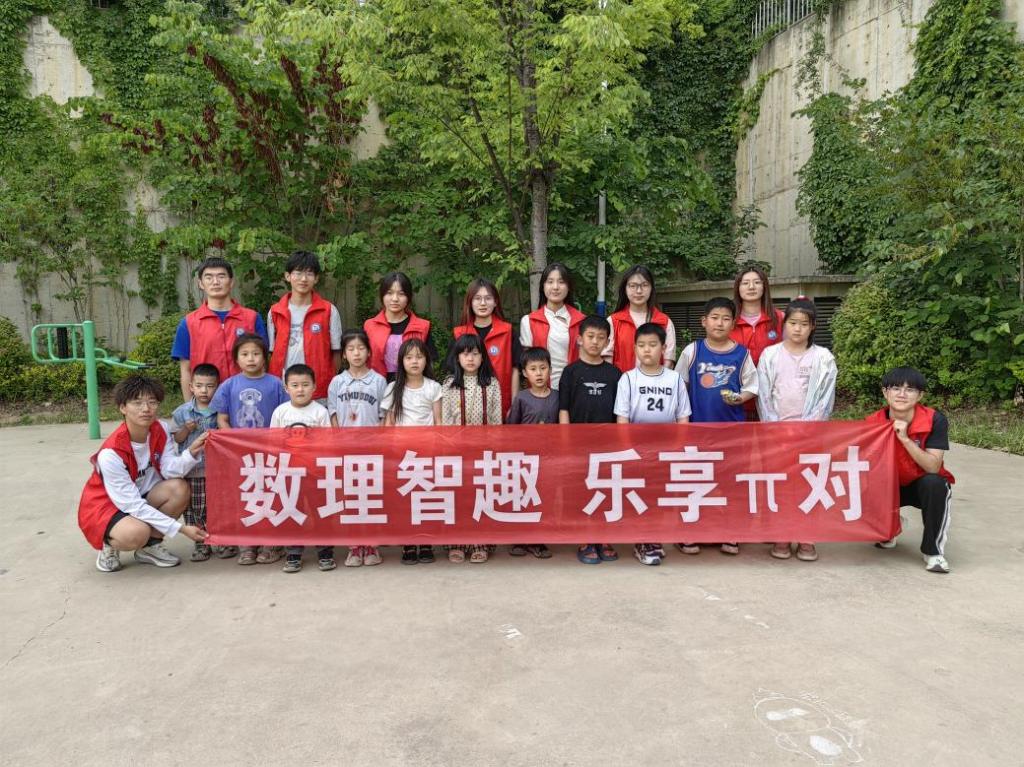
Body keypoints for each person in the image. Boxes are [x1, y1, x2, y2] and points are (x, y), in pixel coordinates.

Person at [79, 375, 209, 573]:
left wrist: (191, 452)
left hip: (143, 496)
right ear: (123, 408)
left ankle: (149, 547)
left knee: (179, 488)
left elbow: (169, 469)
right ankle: (109, 543)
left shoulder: (161, 429)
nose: (146, 409)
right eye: (137, 403)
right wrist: (181, 529)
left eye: (152, 402)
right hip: (109, 506)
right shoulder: (111, 453)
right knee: (137, 533)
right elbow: (132, 505)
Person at [756, 299, 837, 562]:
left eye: (804, 324)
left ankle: (806, 537)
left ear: (813, 327)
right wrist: (775, 428)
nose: (797, 329)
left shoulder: (823, 358)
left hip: (811, 435)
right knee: (780, 485)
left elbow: (825, 398)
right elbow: (764, 396)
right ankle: (781, 535)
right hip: (776, 434)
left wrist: (807, 429)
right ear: (784, 324)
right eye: (793, 323)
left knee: (809, 484)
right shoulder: (769, 355)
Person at [677, 297, 758, 556]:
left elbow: (752, 386)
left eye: (725, 319)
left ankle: (729, 531)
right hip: (696, 429)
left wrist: (740, 398)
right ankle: (691, 531)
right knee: (695, 478)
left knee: (729, 480)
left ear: (733, 323)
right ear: (704, 321)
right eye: (714, 317)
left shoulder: (742, 354)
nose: (719, 323)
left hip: (731, 432)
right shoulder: (692, 351)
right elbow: (679, 386)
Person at [614, 323, 692, 566]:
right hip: (637, 449)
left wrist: (678, 448)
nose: (646, 350)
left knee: (660, 495)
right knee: (640, 495)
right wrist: (629, 450)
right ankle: (643, 541)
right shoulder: (628, 379)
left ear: (664, 347)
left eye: (652, 345)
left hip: (666, 449)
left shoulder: (674, 379)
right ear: (634, 348)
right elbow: (622, 418)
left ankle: (654, 538)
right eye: (641, 345)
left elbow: (683, 416)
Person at [866, 367, 955, 573]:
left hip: (920, 484)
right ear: (885, 392)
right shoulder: (872, 422)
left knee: (935, 483)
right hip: (889, 484)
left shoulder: (935, 420)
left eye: (910, 389)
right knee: (859, 484)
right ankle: (890, 526)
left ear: (920, 395)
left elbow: (933, 466)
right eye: (895, 388)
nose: (902, 394)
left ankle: (933, 552)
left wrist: (905, 439)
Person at [211, 334, 289, 565]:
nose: (251, 358)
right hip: (240, 454)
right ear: (236, 359)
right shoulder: (229, 385)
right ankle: (246, 544)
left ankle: (271, 544)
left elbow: (284, 416)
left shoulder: (276, 384)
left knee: (271, 494)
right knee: (244, 496)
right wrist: (233, 443)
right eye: (245, 354)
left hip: (270, 452)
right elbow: (222, 418)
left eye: (256, 354)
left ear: (264, 357)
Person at [558, 315, 622, 565]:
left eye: (601, 337)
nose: (595, 342)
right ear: (579, 340)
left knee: (606, 489)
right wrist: (566, 440)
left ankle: (604, 537)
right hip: (577, 443)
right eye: (590, 336)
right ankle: (584, 538)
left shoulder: (615, 374)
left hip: (607, 445)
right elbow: (564, 408)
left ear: (608, 342)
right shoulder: (570, 372)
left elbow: (620, 411)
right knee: (581, 490)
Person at [440, 334, 503, 564]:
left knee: (481, 496)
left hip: (484, 452)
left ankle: (480, 542)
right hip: (456, 452)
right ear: (457, 357)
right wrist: (449, 450)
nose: (470, 358)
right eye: (465, 354)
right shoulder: (449, 384)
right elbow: (446, 421)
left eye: (475, 354)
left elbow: (496, 420)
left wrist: (494, 449)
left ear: (482, 357)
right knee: (458, 496)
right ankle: (456, 542)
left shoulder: (491, 384)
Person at [326, 330, 387, 567]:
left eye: (361, 348)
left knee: (371, 495)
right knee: (349, 496)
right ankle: (353, 546)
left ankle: (372, 545)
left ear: (369, 352)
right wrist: (337, 442)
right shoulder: (337, 382)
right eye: (351, 349)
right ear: (343, 354)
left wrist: (379, 442)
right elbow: (332, 414)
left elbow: (383, 415)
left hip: (372, 448)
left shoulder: (379, 381)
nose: (356, 353)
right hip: (346, 448)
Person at [171, 256, 268, 400]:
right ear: (201, 283)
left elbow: (263, 362)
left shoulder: (252, 318)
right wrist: (189, 407)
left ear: (231, 282)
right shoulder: (189, 323)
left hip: (246, 398)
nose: (215, 282)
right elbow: (185, 369)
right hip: (207, 400)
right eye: (209, 277)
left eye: (221, 276)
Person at [382, 338, 443, 564]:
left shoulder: (433, 387)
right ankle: (408, 543)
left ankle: (426, 542)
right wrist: (389, 452)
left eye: (419, 356)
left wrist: (439, 450)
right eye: (409, 357)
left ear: (426, 360)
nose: (414, 361)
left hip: (427, 451)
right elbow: (388, 424)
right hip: (402, 454)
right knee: (405, 499)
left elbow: (438, 421)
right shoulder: (392, 388)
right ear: (401, 361)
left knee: (426, 497)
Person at [270, 364, 335, 573]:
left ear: (314, 387)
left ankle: (325, 551)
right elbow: (273, 442)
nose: (300, 389)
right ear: (286, 388)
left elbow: (328, 442)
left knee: (320, 511)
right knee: (291, 510)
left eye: (305, 385)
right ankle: (293, 553)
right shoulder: (280, 412)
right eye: (295, 385)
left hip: (315, 472)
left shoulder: (320, 412)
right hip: (289, 472)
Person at [267, 250, 343, 402]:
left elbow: (337, 352)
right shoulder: (275, 312)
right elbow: (272, 352)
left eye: (309, 273)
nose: (303, 279)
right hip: (284, 388)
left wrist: (327, 380)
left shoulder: (328, 310)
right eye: (298, 273)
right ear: (287, 276)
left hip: (318, 389)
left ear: (316, 278)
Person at [170, 363, 227, 562]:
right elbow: (177, 439)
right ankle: (201, 544)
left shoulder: (221, 410)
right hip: (192, 469)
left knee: (217, 506)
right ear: (191, 387)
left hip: (216, 469)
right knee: (195, 508)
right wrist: (186, 429)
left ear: (218, 387)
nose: (204, 391)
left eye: (210, 386)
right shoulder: (182, 412)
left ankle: (221, 540)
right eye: (199, 386)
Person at [506, 347, 559, 559]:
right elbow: (512, 428)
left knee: (543, 498)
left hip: (549, 459)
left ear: (550, 370)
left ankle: (539, 539)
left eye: (543, 368)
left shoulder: (557, 397)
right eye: (533, 369)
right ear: (524, 372)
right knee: (523, 497)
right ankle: (520, 538)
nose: (539, 373)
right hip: (525, 459)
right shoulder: (521, 398)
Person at [453, 277, 522, 419]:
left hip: (502, 405)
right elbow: (453, 371)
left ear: (495, 301)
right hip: (467, 407)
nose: (483, 303)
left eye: (488, 298)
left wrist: (514, 404)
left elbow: (516, 368)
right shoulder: (459, 333)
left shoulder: (507, 331)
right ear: (470, 302)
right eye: (477, 298)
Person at [731, 265, 785, 420]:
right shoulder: (728, 320)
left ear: (764, 286)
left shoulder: (780, 318)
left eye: (757, 282)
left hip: (773, 400)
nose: (751, 287)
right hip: (737, 400)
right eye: (745, 283)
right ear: (738, 288)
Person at [520, 263, 586, 390]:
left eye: (561, 282)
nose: (555, 287)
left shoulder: (581, 321)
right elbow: (527, 362)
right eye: (550, 282)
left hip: (574, 389)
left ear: (568, 287)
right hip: (540, 392)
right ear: (543, 286)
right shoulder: (529, 321)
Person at [363, 271, 437, 382]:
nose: (395, 299)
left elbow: (430, 362)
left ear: (408, 297)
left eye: (401, 294)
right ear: (382, 295)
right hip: (376, 386)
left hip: (412, 386)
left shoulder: (422, 327)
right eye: (389, 293)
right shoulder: (369, 326)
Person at [605, 265, 677, 372]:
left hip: (656, 381)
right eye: (632, 286)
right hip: (621, 381)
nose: (639, 291)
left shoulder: (664, 322)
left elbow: (669, 360)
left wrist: (657, 380)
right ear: (625, 289)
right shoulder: (614, 321)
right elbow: (607, 360)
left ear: (651, 288)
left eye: (644, 285)